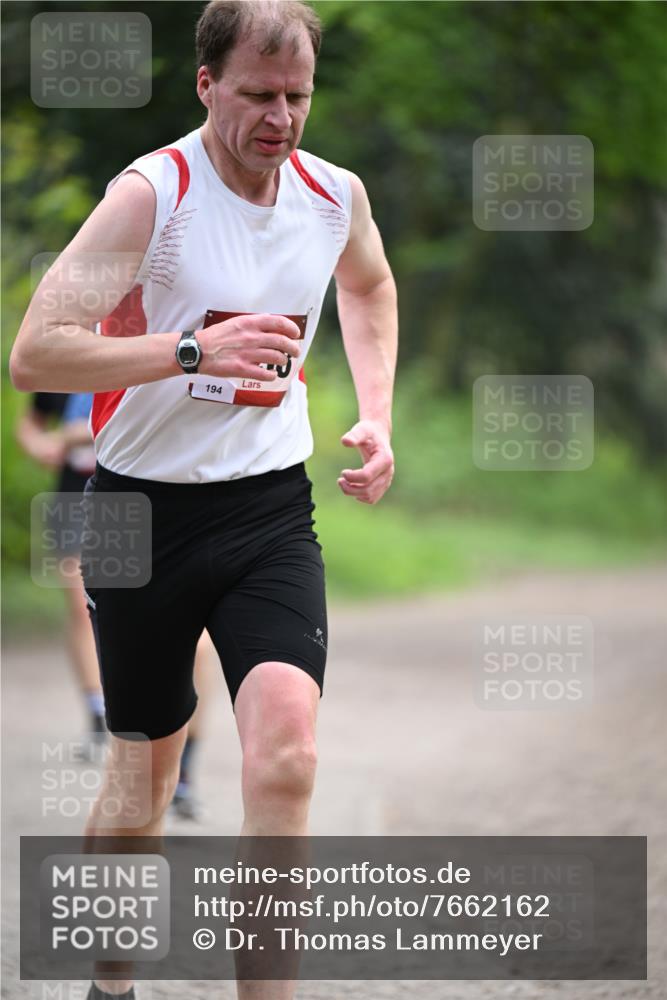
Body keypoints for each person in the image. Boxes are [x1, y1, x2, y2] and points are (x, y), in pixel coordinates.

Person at [10, 1, 397, 996]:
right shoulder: (153, 196)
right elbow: (37, 353)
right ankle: (110, 982)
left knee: (286, 754)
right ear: (206, 84)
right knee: (142, 778)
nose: (280, 117)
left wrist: (376, 414)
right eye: (258, 94)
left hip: (268, 510)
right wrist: (189, 350)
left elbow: (367, 286)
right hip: (139, 514)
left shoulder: (332, 195)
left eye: (298, 95)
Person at [16, 391, 106, 754]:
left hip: (128, 496)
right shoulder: (65, 372)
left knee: (131, 606)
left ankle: (138, 708)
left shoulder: (136, 359)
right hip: (72, 497)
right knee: (82, 607)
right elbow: (30, 423)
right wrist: (39, 445)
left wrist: (70, 435)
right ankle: (97, 714)